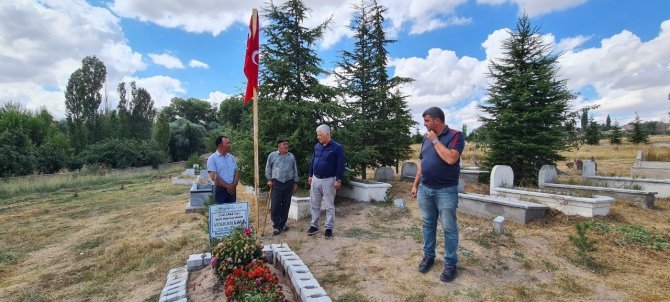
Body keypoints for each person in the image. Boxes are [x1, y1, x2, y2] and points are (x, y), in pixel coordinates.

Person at [410, 107, 465, 282]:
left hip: (446, 190)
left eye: (427, 121)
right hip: (425, 189)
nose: (424, 124)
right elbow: (422, 162)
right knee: (428, 225)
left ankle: (450, 263)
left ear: (437, 121)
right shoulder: (425, 139)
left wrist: (435, 141)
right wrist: (415, 184)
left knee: (448, 228)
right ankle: (429, 256)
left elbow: (451, 158)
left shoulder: (456, 135)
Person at [307, 124, 345, 239]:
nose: (318, 137)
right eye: (317, 135)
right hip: (315, 179)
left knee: (329, 205)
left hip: (329, 180)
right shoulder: (317, 146)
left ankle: (328, 228)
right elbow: (313, 160)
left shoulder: (337, 147)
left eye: (320, 135)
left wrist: (338, 179)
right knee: (314, 204)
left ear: (327, 134)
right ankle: (314, 226)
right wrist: (310, 175)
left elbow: (340, 164)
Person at [265, 137, 299, 236]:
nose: (286, 146)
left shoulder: (291, 156)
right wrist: (269, 179)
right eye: (284, 144)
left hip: (289, 182)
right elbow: (268, 168)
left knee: (286, 205)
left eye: (287, 144)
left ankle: (283, 224)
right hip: (276, 183)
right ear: (279, 146)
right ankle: (276, 226)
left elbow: (295, 169)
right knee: (275, 205)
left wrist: (295, 182)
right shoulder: (272, 155)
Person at [207, 135, 239, 204]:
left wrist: (234, 184)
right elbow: (213, 177)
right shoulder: (212, 159)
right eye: (227, 143)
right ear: (220, 145)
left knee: (232, 211)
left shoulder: (231, 157)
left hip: (232, 190)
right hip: (219, 191)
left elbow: (236, 171)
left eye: (229, 143)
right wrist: (228, 187)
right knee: (220, 212)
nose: (230, 145)